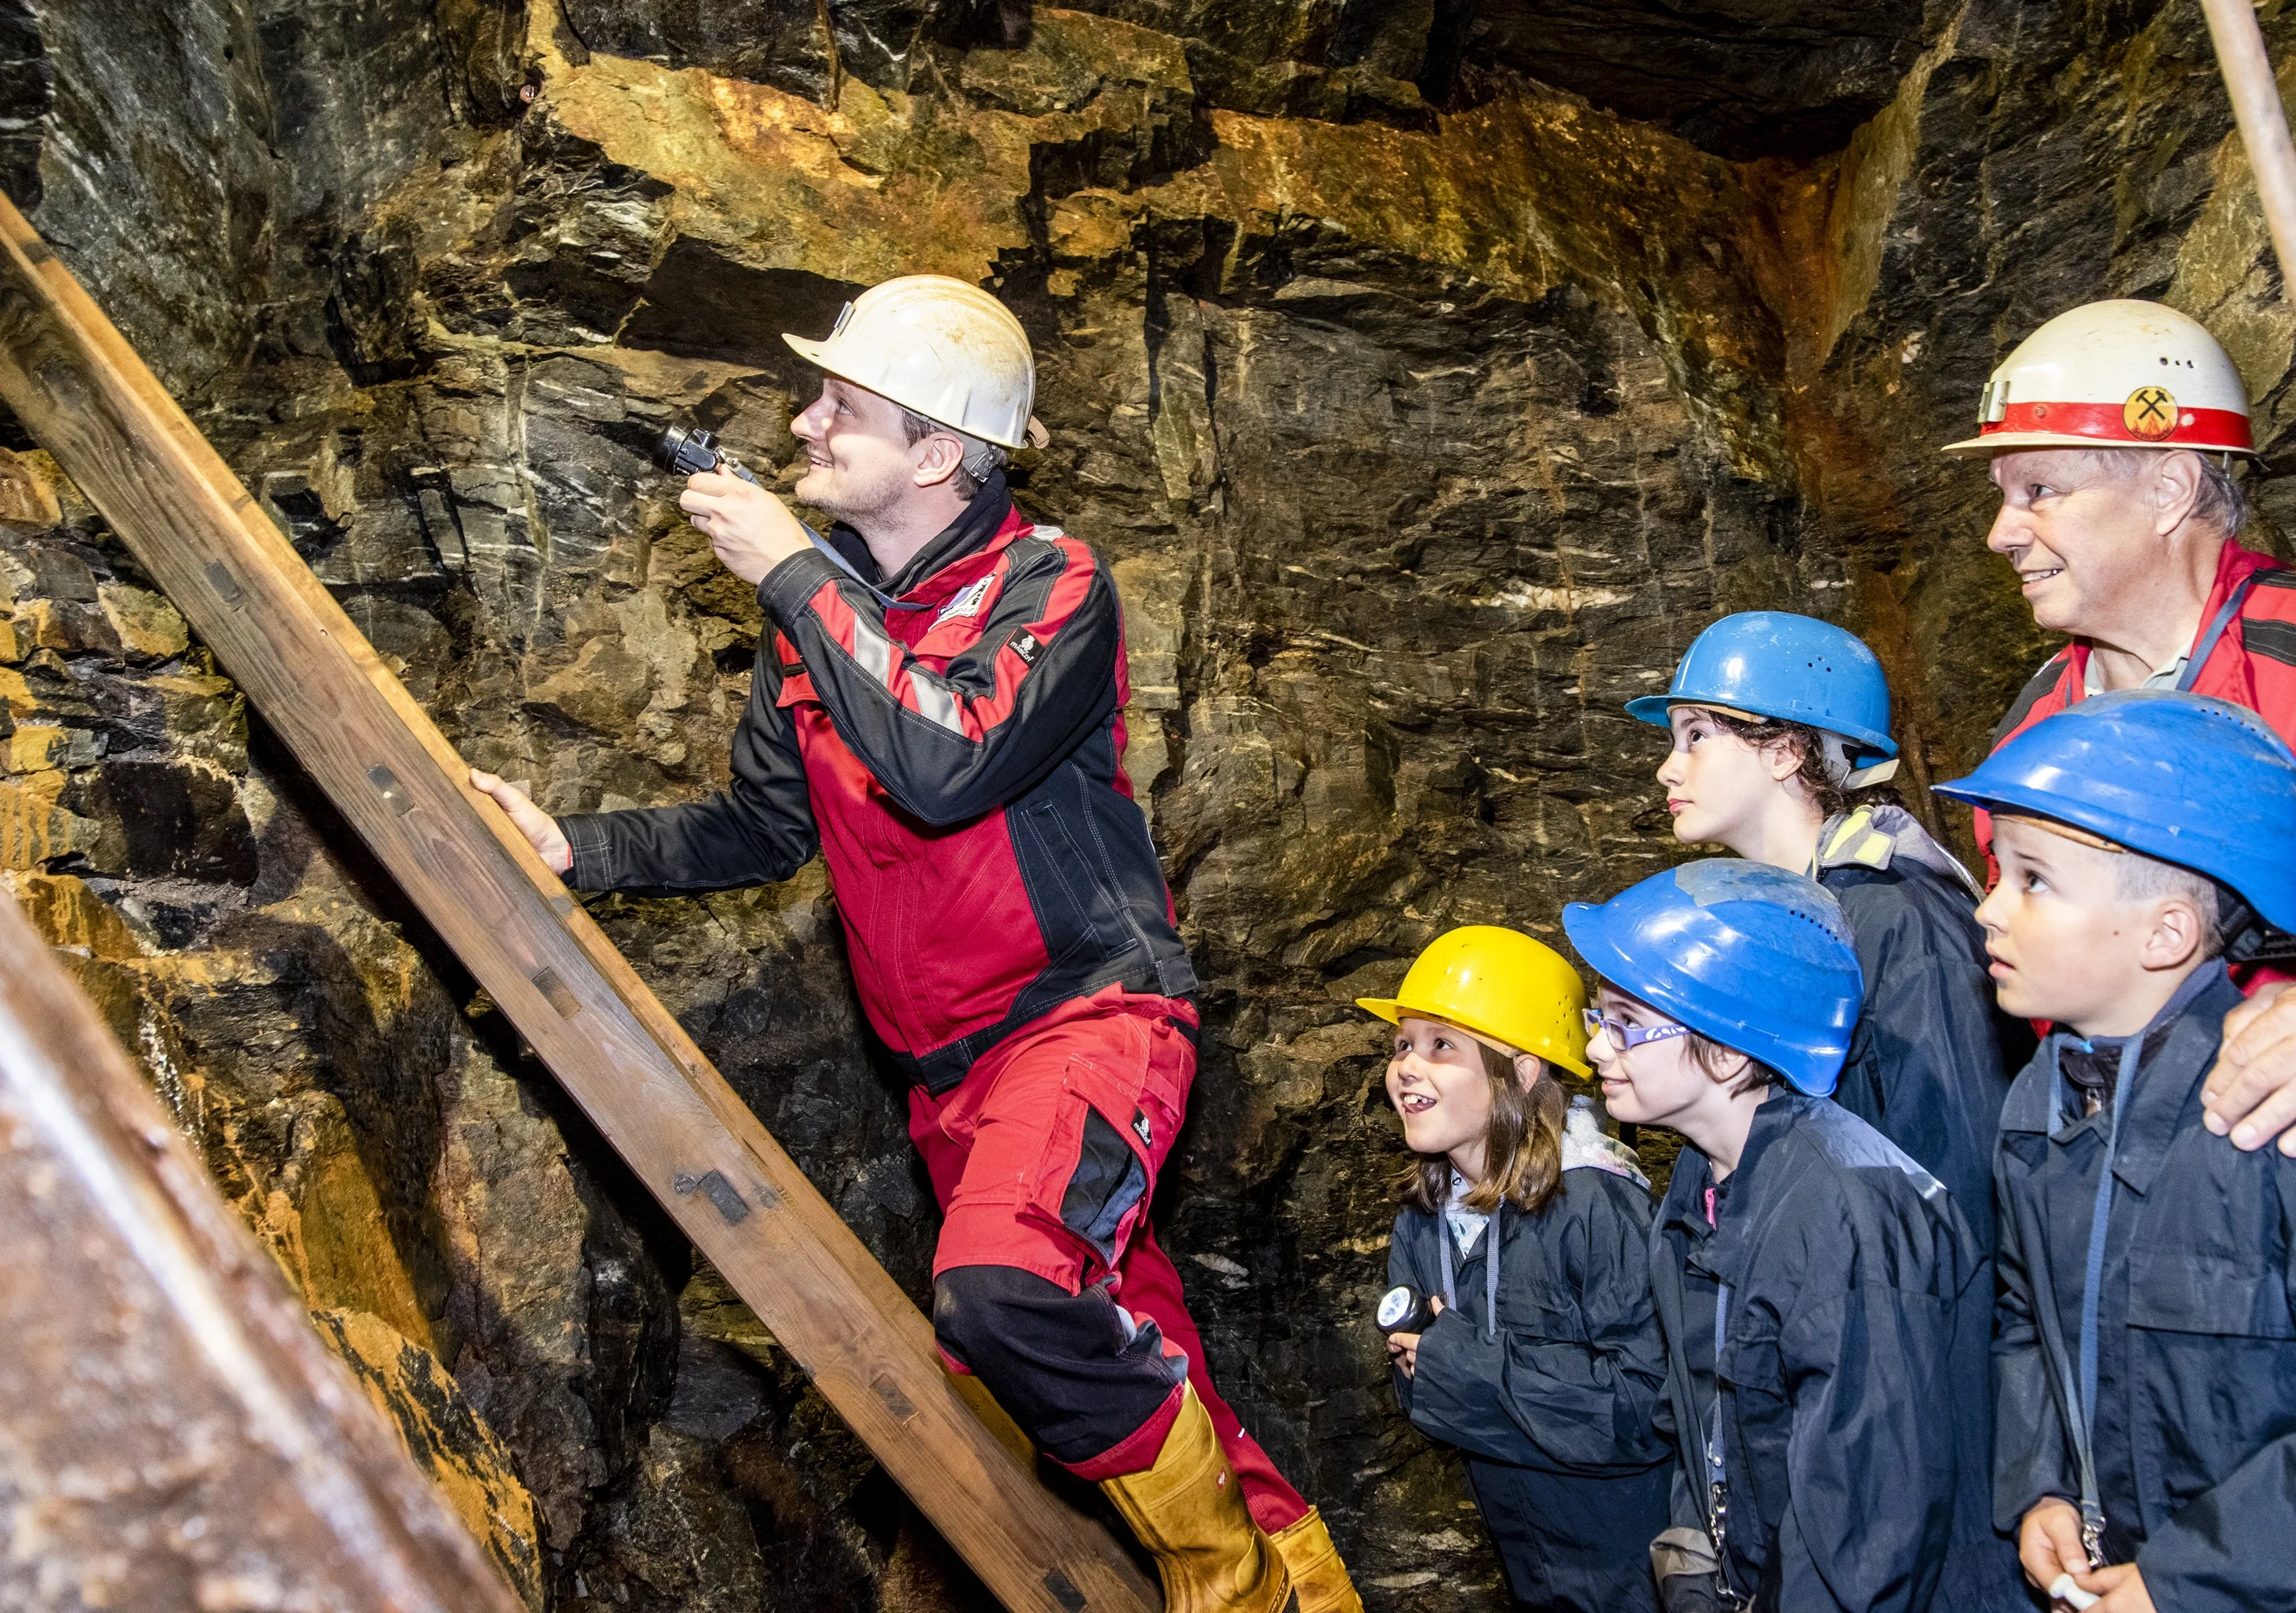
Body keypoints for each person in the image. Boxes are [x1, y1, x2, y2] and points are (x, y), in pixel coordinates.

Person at [468, 274, 1357, 1612]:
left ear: (938, 449)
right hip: (949, 1078)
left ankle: (1235, 1590)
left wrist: (791, 572)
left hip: (1087, 1021)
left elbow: (946, 761)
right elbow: (759, 830)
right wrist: (575, 851)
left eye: (843, 404)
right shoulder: (812, 630)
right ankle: (1309, 1584)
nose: (805, 423)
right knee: (1114, 1343)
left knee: (1002, 1293)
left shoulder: (1050, 583)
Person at [1935, 690, 2296, 1611]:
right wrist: (2040, 1479)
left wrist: (2190, 1577)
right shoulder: (2038, 1103)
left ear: (2168, 931)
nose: (1986, 911)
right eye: (1998, 873)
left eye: (2031, 879)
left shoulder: (2293, 1113)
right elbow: (2027, 1314)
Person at [1946, 298, 2296, 1159]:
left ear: (2168, 487)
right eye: (2001, 496)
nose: (1998, 533)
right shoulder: (2030, 738)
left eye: (2037, 491)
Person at [1563, 862, 2021, 1613]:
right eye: (1597, 1019)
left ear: (1732, 1049)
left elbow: (1870, 1520)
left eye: (1625, 1024)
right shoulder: (1702, 1181)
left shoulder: (1844, 1208)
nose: (1596, 1051)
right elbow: (1695, 1415)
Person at [1627, 610, 2023, 1244]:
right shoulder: (1788, 920)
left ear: (1785, 752)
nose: (1668, 770)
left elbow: (1964, 1180)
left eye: (1695, 735)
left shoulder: (1899, 917)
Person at [1363, 926, 1668, 1613]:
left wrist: (1467, 1370)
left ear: (1523, 1071)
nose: (1407, 1065)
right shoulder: (1423, 1213)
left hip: (1638, 1570)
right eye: (1403, 1044)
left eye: (1442, 1045)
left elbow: (1651, 1409)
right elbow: (1416, 1390)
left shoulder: (1597, 1205)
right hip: (1530, 1561)